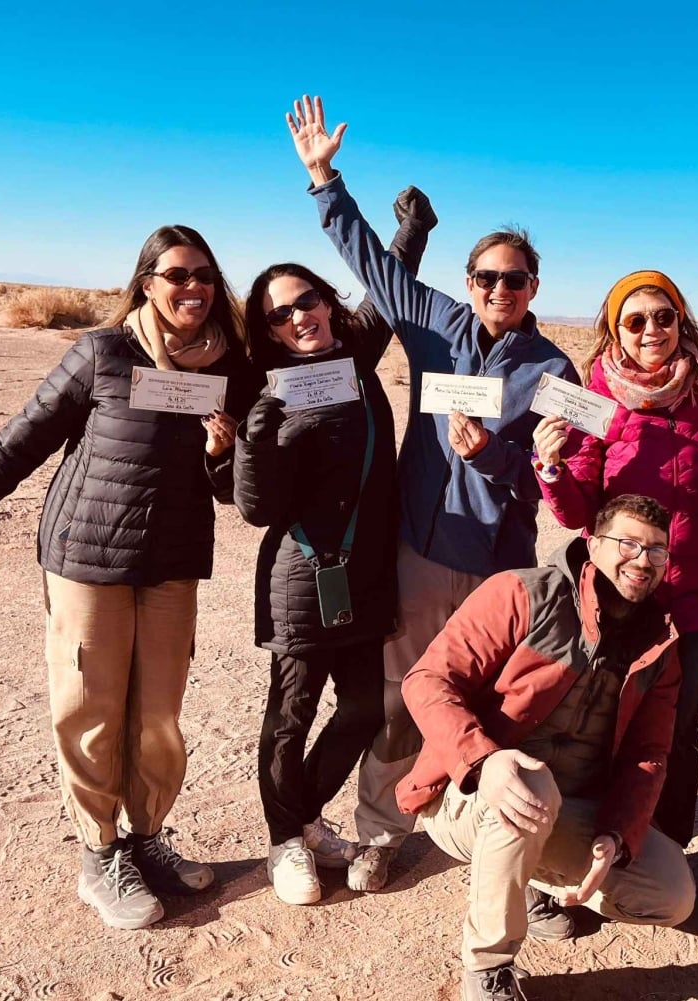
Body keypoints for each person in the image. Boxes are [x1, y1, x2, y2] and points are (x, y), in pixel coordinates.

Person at [0, 225, 257, 929]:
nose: (194, 288)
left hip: (172, 561)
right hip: (89, 557)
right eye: (177, 274)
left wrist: (224, 450)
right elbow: (20, 440)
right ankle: (100, 853)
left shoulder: (230, 368)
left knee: (158, 715)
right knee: (91, 709)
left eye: (205, 275)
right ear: (147, 282)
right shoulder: (102, 351)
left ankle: (148, 837)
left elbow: (229, 488)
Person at [287, 94, 580, 892]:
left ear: (533, 285)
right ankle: (382, 828)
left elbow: (560, 482)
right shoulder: (435, 324)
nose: (498, 289)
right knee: (399, 693)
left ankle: (471, 815)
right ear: (468, 280)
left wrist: (495, 459)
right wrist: (326, 182)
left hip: (497, 563)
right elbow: (373, 265)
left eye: (513, 279)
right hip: (421, 547)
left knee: (485, 695)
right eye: (486, 276)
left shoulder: (554, 372)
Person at [398, 494, 696, 1001]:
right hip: (469, 795)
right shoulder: (521, 593)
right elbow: (425, 681)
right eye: (627, 543)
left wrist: (617, 834)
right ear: (592, 542)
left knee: (671, 894)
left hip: (567, 810)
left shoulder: (660, 644)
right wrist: (483, 760)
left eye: (657, 550)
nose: (643, 560)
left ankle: (531, 882)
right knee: (530, 784)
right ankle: (487, 968)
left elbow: (649, 753)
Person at [233, 189, 437, 905]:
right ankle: (285, 842)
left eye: (306, 300)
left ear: (325, 301)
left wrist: (411, 226)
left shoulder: (354, 353)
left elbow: (384, 286)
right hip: (303, 573)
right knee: (291, 712)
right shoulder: (272, 391)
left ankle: (300, 817)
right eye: (280, 314)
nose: (298, 316)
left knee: (361, 708)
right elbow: (256, 508)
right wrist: (256, 434)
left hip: (367, 573)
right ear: (271, 332)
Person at [531, 268, 698, 847]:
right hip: (621, 590)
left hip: (695, 589)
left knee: (680, 729)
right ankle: (584, 848)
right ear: (615, 331)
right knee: (602, 724)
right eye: (635, 320)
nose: (652, 330)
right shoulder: (594, 396)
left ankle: (665, 850)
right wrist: (549, 466)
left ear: (681, 320)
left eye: (664, 316)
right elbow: (577, 512)